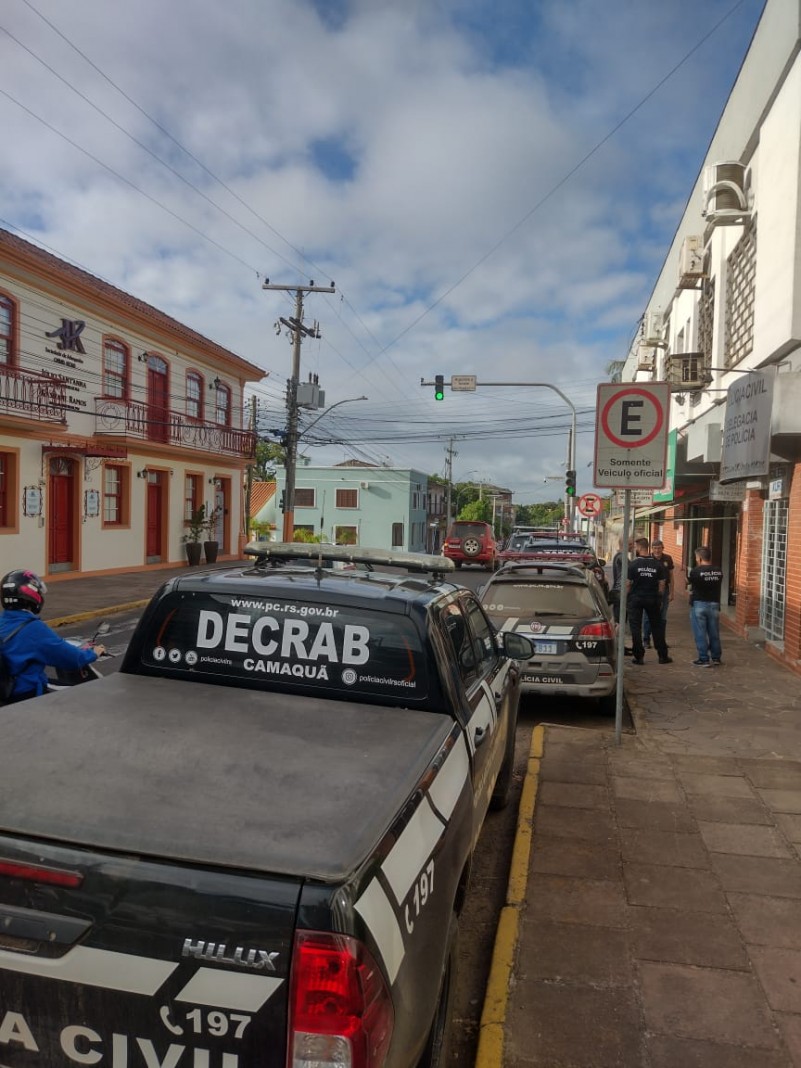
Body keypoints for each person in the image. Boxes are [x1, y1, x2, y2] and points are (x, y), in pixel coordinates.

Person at [0, 569, 106, 703]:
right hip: (26, 696)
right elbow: (70, 658)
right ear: (32, 594)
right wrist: (93, 653)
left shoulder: (2, 621)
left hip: (5, 694)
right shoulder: (34, 628)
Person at [626, 537, 672, 665]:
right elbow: (662, 584)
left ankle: (638, 656)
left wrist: (627, 597)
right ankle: (662, 656)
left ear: (640, 548)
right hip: (652, 598)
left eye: (636, 547)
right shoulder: (658, 565)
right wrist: (659, 597)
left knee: (635, 627)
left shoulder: (633, 564)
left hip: (636, 598)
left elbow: (628, 584)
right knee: (657, 626)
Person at [687, 546, 723, 666]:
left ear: (699, 558)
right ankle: (716, 657)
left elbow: (690, 584)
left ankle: (704, 658)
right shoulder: (718, 570)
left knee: (700, 632)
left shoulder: (696, 571)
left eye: (696, 557)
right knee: (714, 632)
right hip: (714, 604)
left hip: (699, 604)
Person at [643, 539, 674, 648]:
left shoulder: (668, 559)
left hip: (664, 591)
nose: (657, 550)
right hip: (651, 591)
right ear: (652, 549)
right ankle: (646, 640)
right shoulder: (648, 559)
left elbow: (671, 576)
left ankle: (661, 641)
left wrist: (672, 592)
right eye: (655, 548)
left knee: (663, 616)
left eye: (659, 548)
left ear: (662, 548)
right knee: (648, 616)